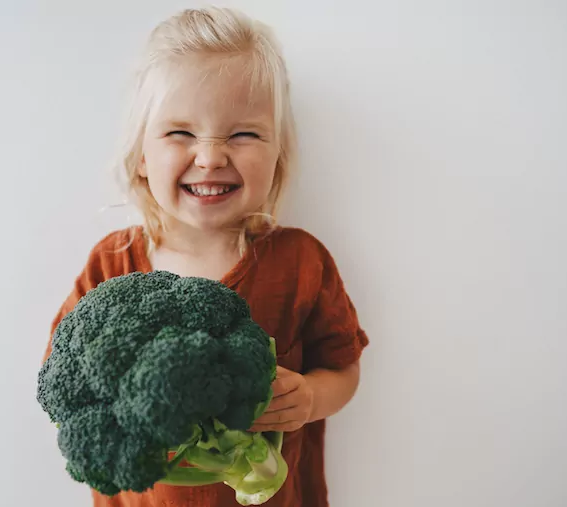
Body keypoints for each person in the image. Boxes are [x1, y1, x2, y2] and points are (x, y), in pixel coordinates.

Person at [42, 6, 369, 507]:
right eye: (180, 133)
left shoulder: (301, 262)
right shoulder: (111, 264)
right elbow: (65, 379)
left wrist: (308, 398)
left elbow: (343, 369)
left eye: (243, 134)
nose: (211, 155)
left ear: (278, 152)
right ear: (142, 156)